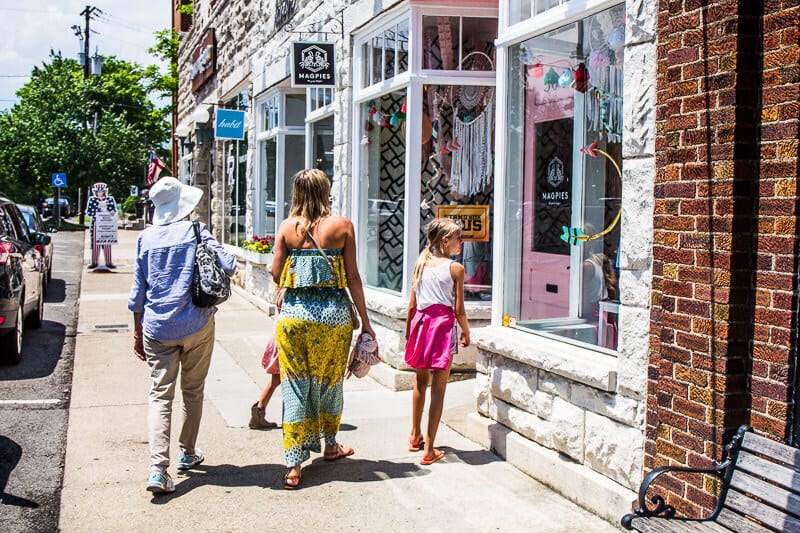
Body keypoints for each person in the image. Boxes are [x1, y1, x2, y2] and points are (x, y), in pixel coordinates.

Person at [128, 176, 236, 495]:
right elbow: (228, 264)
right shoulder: (196, 232)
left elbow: (138, 293)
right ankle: (187, 452)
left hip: (157, 328)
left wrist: (137, 333)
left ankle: (158, 469)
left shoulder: (144, 239)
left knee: (160, 394)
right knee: (193, 390)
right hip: (196, 324)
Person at [271, 169, 375, 490]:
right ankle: (330, 445)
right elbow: (353, 278)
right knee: (329, 383)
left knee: (295, 385)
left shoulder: (287, 228)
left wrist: (293, 277)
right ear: (325, 191)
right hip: (333, 317)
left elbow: (276, 274)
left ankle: (292, 464)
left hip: (294, 317)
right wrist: (366, 324)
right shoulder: (343, 226)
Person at [404, 218, 470, 465]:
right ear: (445, 241)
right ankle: (429, 448)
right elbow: (459, 308)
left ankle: (414, 434)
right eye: (458, 238)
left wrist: (408, 333)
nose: (461, 243)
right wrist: (466, 331)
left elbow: (412, 305)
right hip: (442, 327)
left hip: (420, 325)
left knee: (420, 383)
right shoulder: (456, 269)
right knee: (439, 389)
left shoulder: (420, 264)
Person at [86, 182, 117, 269]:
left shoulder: (110, 199)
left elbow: (113, 210)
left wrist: (109, 211)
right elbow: (89, 212)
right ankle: (94, 262)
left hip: (107, 223)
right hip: (96, 223)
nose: (100, 193)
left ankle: (109, 262)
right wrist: (99, 210)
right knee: (96, 243)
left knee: (107, 242)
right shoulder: (92, 199)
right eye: (98, 191)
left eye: (102, 191)